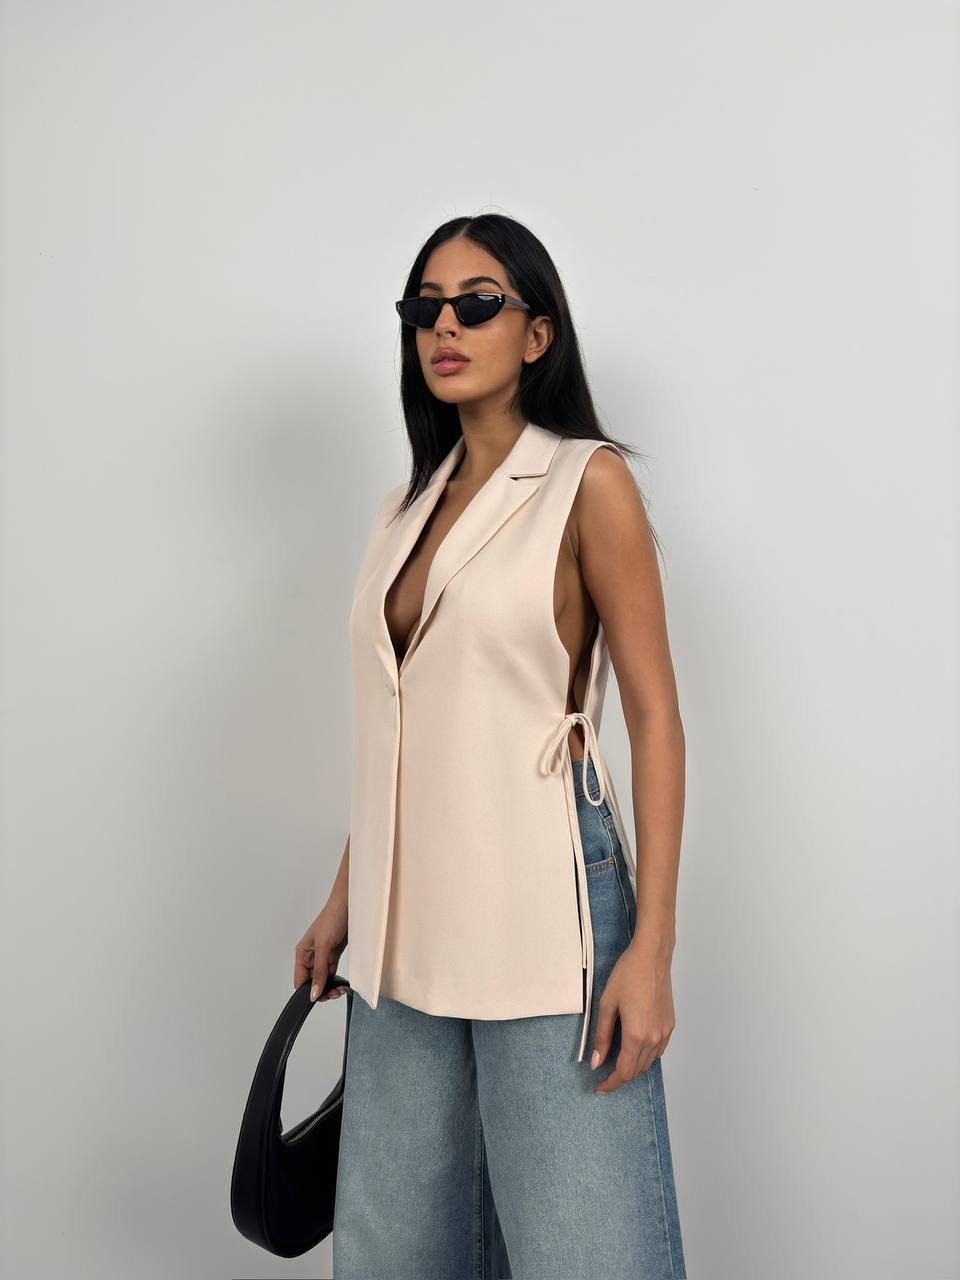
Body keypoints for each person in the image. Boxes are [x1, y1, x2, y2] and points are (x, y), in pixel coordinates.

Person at [294, 213, 687, 1279]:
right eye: (425, 307)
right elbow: (405, 728)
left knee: (586, 1247)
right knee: (396, 1251)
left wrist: (651, 948)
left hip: (546, 905)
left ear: (537, 334)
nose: (446, 327)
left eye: (477, 304)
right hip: (401, 924)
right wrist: (344, 898)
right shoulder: (403, 508)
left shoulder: (585, 483)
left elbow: (654, 714)